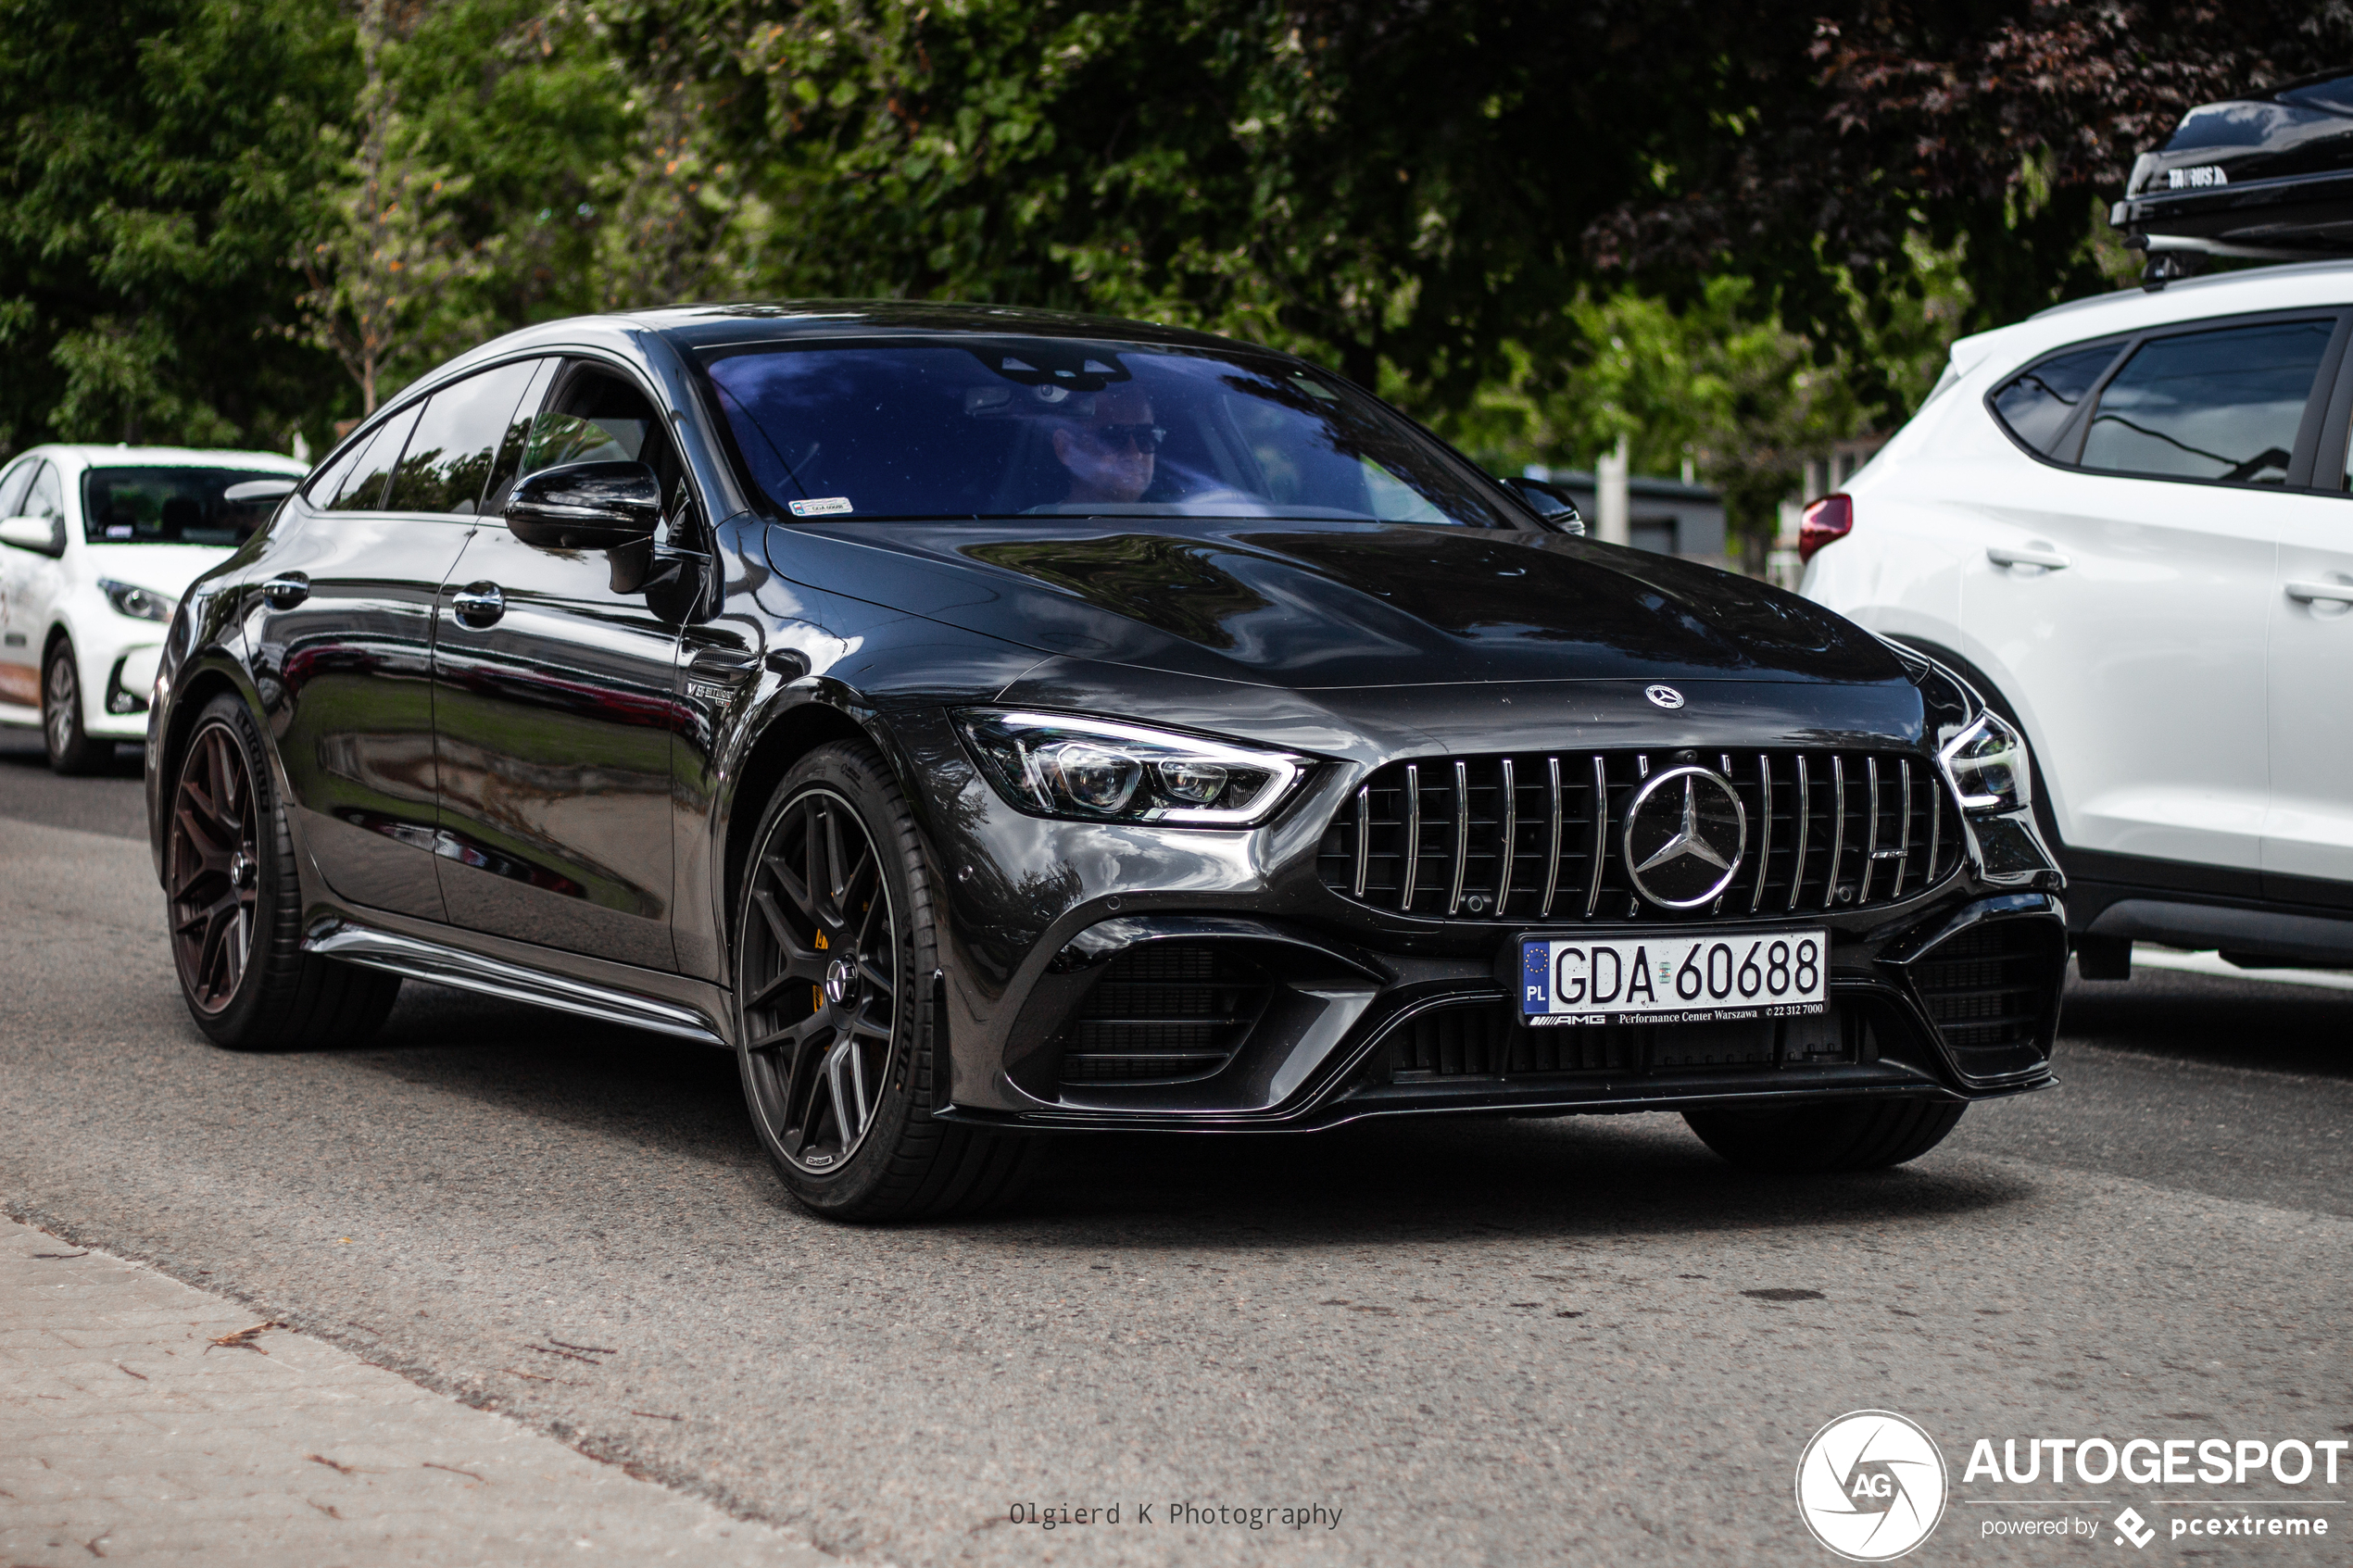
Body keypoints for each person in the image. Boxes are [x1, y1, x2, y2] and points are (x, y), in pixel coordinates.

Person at [1050, 385, 1162, 505]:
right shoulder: (1034, 521)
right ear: (1066, 448)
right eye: (1113, 436)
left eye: (1146, 436)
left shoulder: (1179, 518)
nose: (1135, 453)